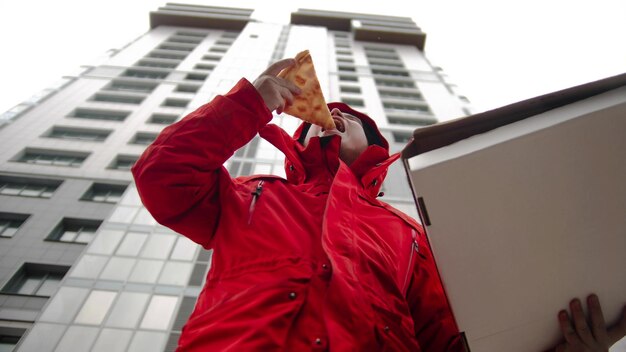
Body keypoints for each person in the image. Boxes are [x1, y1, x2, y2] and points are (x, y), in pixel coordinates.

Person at [132, 59, 626, 351]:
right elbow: (161, 175)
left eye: (348, 118)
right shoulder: (252, 195)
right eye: (320, 117)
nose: (331, 117)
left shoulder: (409, 234)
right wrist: (250, 102)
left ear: (371, 145)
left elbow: (449, 344)